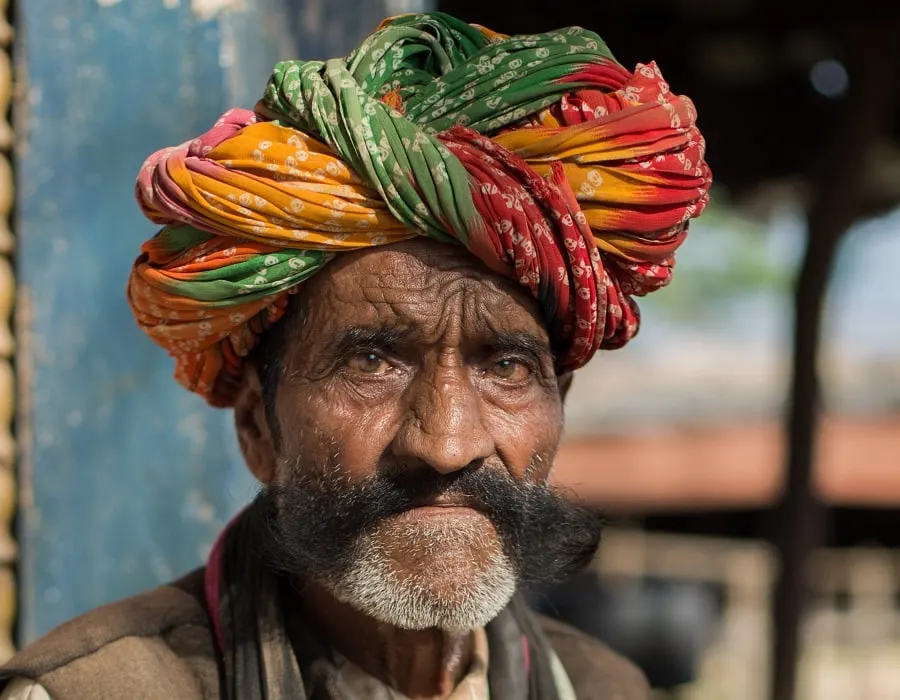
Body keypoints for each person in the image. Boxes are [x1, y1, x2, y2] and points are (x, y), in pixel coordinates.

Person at [0, 12, 711, 699]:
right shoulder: (93, 693)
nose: (446, 443)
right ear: (257, 427)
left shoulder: (605, 690)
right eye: (373, 362)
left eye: (505, 368)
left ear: (561, 404)